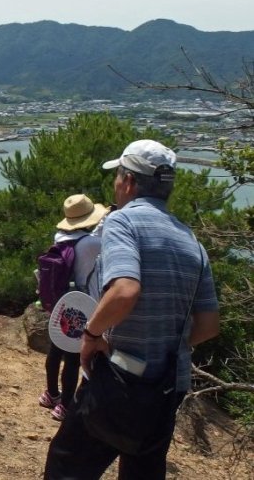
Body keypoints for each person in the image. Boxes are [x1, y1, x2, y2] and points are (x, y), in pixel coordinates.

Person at [44, 140, 220, 480]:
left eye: (118, 177)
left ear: (128, 181)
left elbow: (125, 291)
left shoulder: (123, 222)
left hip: (117, 380)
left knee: (67, 467)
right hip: (167, 389)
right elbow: (209, 324)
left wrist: (92, 334)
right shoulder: (192, 242)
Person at [38, 194, 107, 422]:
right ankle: (66, 404)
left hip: (61, 299)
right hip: (81, 303)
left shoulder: (61, 237)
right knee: (74, 356)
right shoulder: (90, 243)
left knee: (56, 348)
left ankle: (51, 394)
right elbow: (109, 241)